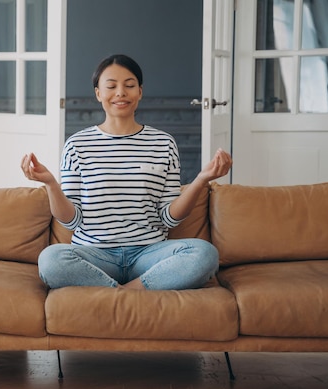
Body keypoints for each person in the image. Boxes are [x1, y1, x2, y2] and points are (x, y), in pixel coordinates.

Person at [21, 54, 232, 290]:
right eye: (111, 86)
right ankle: (135, 291)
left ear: (140, 92)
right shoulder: (77, 145)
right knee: (50, 260)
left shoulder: (163, 143)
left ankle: (125, 292)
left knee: (205, 254)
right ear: (98, 93)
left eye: (129, 85)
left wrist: (202, 179)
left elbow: (168, 217)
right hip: (94, 255)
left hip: (149, 254)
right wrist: (50, 183)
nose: (120, 92)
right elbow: (71, 220)